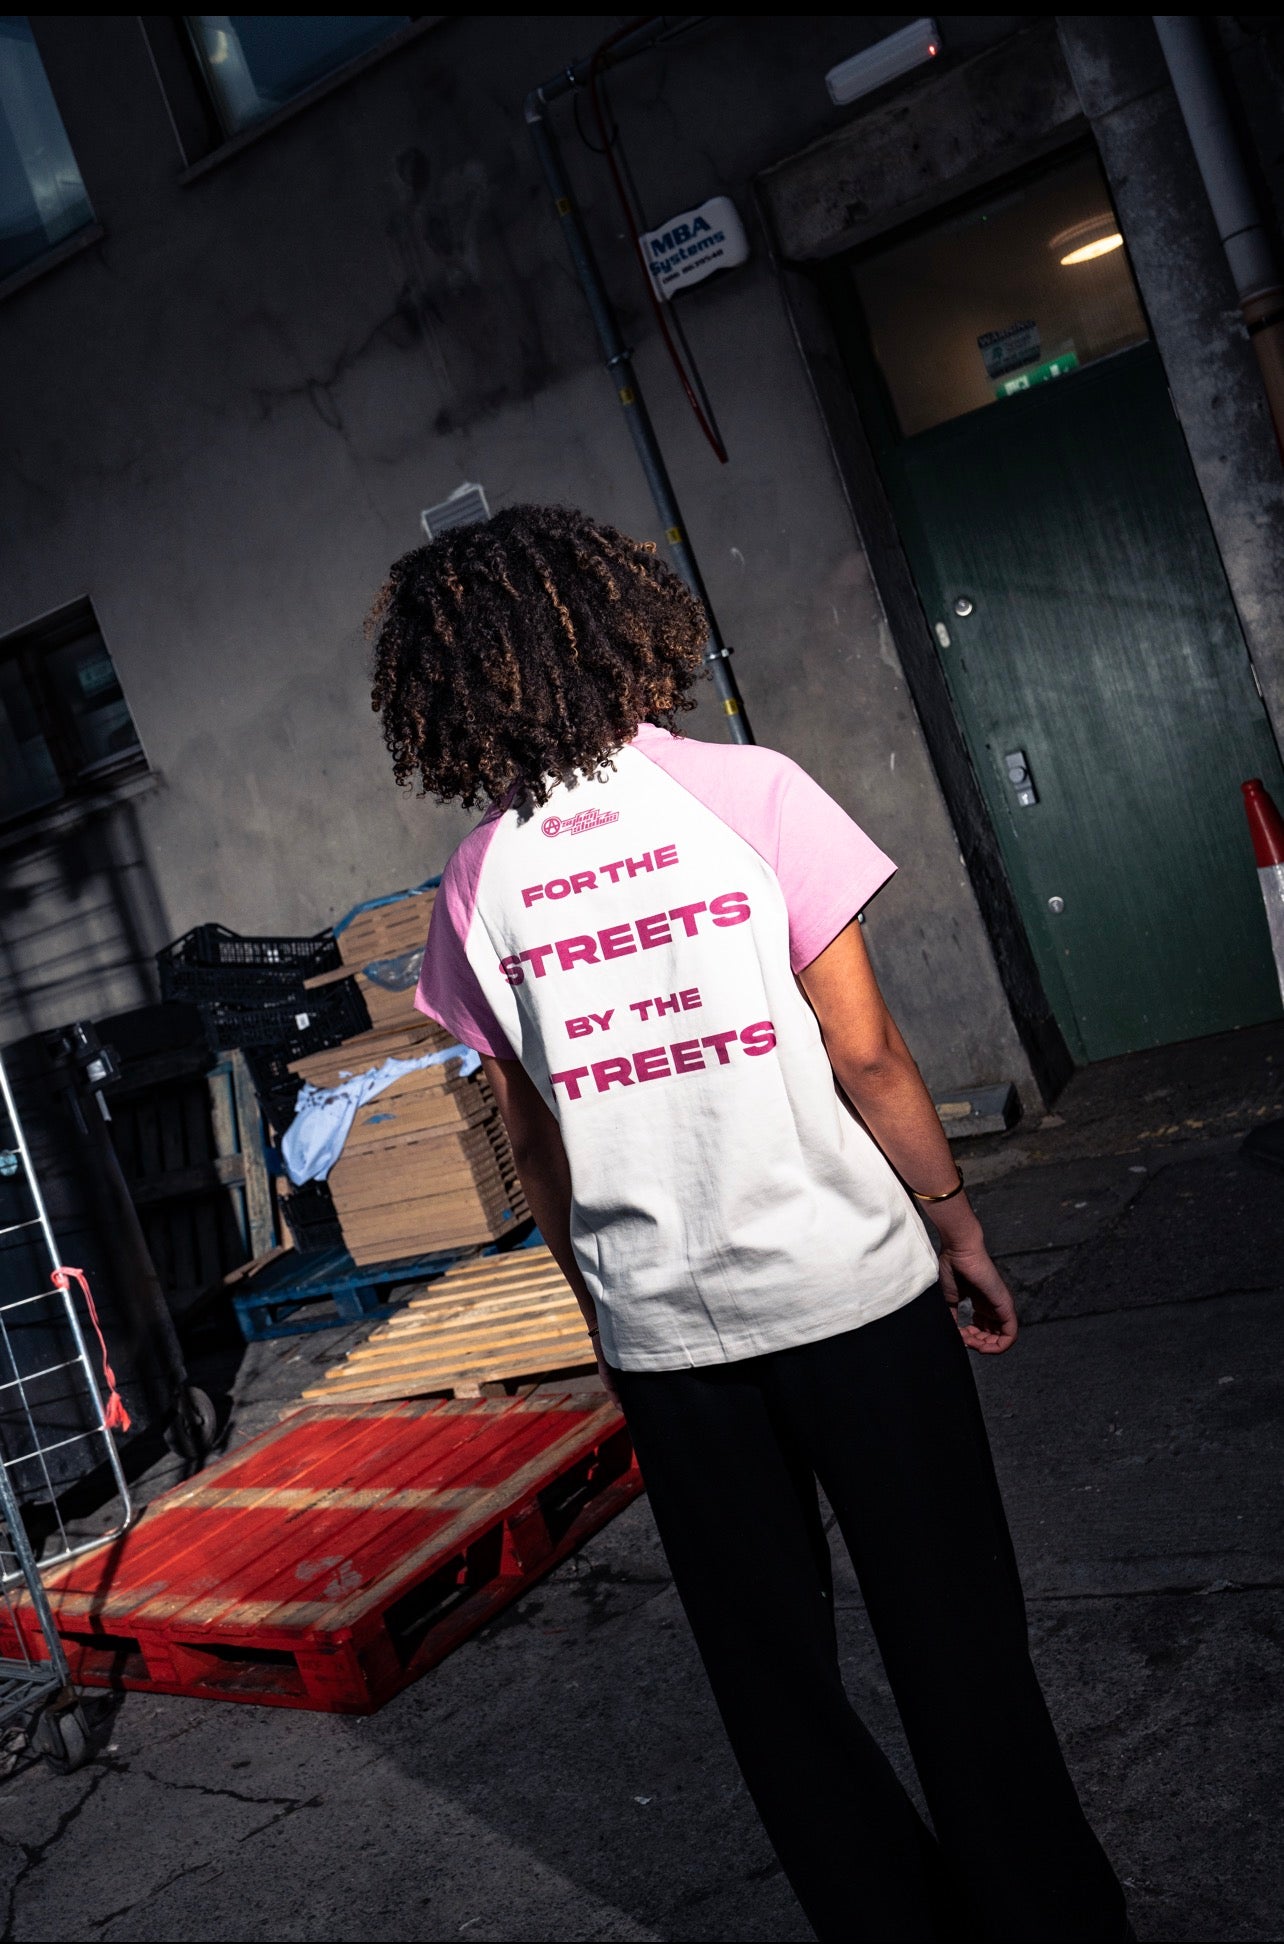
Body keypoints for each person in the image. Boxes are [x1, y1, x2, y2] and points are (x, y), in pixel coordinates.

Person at [367, 502, 1131, 1944]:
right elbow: (871, 1056)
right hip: (852, 1298)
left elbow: (531, 1133)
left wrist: (604, 1309)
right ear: (620, 633)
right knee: (955, 1640)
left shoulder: (478, 886)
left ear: (452, 689)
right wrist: (956, 1225)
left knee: (775, 1684)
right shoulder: (752, 794)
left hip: (669, 1338)